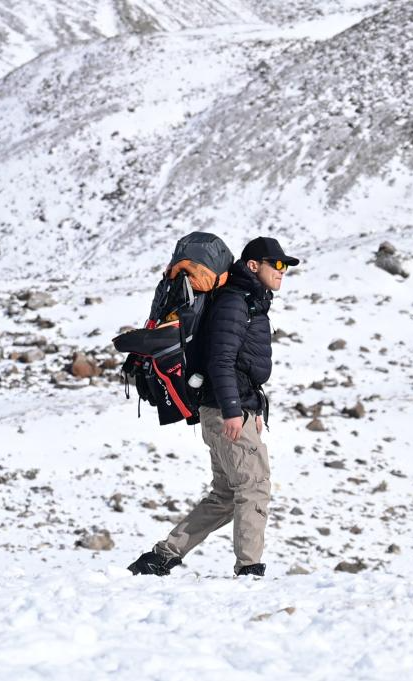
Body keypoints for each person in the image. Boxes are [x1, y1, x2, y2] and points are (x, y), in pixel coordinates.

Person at [127, 236, 299, 577]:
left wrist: (253, 410)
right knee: (253, 486)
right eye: (277, 264)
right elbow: (220, 360)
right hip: (225, 411)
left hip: (231, 408)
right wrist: (233, 411)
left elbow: (242, 364)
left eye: (285, 266)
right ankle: (249, 569)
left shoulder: (247, 300)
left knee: (225, 495)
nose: (282, 271)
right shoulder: (235, 303)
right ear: (254, 265)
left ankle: (161, 557)